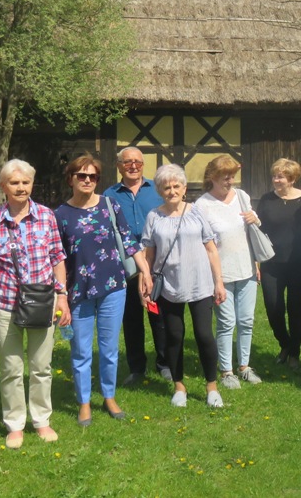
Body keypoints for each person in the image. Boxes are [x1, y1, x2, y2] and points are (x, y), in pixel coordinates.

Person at [0, 159, 70, 450]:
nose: (21, 188)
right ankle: (15, 424)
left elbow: (57, 258)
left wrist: (62, 296)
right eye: (14, 183)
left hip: (42, 301)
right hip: (3, 302)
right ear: (4, 186)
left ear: (32, 184)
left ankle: (41, 420)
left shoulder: (46, 216)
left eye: (25, 182)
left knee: (41, 366)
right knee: (11, 367)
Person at [54, 154, 143, 426]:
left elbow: (128, 240)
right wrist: (60, 296)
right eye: (82, 176)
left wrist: (145, 272)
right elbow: (56, 257)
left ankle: (109, 396)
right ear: (70, 179)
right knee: (80, 350)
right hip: (78, 291)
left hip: (114, 286)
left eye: (92, 176)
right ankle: (83, 402)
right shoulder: (59, 215)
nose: (87, 180)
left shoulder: (109, 205)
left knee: (109, 348)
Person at [140, 164, 227, 407]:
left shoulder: (196, 213)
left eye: (176, 186)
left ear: (184, 188)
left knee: (204, 335)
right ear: (160, 191)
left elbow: (211, 249)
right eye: (166, 187)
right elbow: (148, 254)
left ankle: (211, 387)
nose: (172, 191)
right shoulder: (154, 217)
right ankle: (179, 386)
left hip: (200, 283)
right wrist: (144, 280)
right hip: (168, 285)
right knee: (174, 336)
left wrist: (218, 282)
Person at [102, 147, 171, 384]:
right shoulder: (108, 195)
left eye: (138, 162)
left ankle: (164, 363)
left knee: (159, 314)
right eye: (128, 162)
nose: (133, 166)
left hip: (157, 260)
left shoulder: (156, 190)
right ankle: (137, 367)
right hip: (125, 265)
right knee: (131, 317)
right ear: (119, 165)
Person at [194, 155, 263, 389]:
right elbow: (202, 244)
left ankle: (244, 366)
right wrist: (216, 280)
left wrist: (255, 219)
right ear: (212, 177)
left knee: (247, 320)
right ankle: (226, 371)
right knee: (226, 322)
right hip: (220, 275)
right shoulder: (202, 205)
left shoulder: (242, 196)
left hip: (247, 269)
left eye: (232, 175)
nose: (230, 180)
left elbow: (250, 232)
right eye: (225, 176)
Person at [255, 158, 301, 370]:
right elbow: (257, 231)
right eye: (274, 176)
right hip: (272, 263)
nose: (276, 180)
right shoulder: (266, 200)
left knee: (295, 308)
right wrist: (256, 261)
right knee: (273, 308)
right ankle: (285, 344)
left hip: (299, 262)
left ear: (292, 178)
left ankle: (294, 352)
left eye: (281, 176)